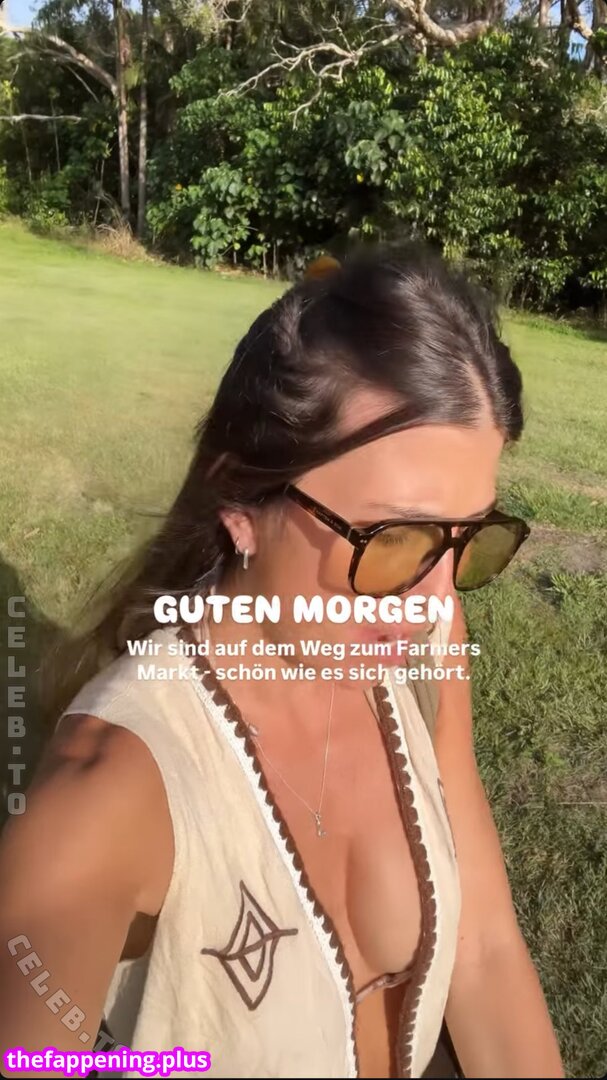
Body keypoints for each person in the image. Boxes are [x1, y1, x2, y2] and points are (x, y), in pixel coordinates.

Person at [0, 244, 564, 1080]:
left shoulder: (425, 653)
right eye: (393, 538)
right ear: (242, 506)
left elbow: (480, 946)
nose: (434, 602)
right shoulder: (108, 795)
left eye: (466, 539)